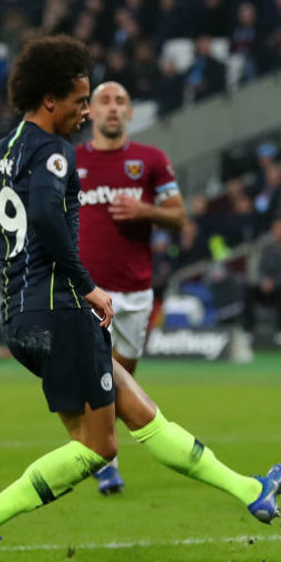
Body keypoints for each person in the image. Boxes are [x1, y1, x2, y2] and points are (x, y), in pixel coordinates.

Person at [0, 37, 281, 562]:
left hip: (21, 321)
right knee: (98, 448)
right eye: (79, 100)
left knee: (141, 412)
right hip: (61, 312)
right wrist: (89, 286)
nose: (85, 111)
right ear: (49, 100)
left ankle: (250, 490)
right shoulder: (53, 152)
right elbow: (51, 223)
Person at [77, 80, 186, 495]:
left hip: (136, 292)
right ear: (90, 111)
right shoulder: (70, 161)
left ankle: (100, 448)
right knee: (98, 374)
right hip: (88, 289)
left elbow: (179, 216)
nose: (111, 108)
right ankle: (107, 459)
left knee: (124, 375)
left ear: (130, 113)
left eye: (120, 101)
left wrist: (144, 209)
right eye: (103, 101)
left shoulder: (149, 160)